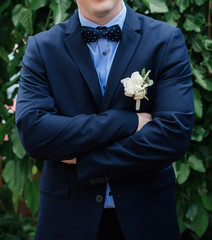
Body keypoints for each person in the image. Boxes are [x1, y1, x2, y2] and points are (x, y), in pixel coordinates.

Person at [15, 0, 194, 239]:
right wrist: (127, 122)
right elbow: (34, 133)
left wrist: (87, 162)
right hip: (66, 222)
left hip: (147, 220)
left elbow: (173, 136)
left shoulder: (165, 40)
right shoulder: (42, 48)